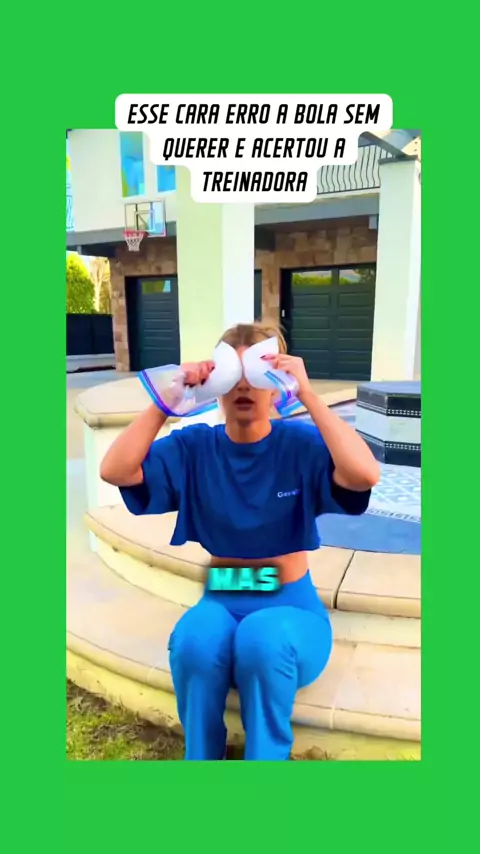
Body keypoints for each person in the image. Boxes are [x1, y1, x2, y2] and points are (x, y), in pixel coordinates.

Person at [100, 322, 380, 761]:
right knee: (194, 640)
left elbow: (364, 475)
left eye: (257, 373)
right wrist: (168, 402)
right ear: (216, 382)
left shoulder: (299, 444)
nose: (244, 387)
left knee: (262, 638)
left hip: (289, 606)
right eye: (233, 374)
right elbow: (115, 470)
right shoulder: (195, 448)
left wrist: (307, 395)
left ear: (276, 383)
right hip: (223, 595)